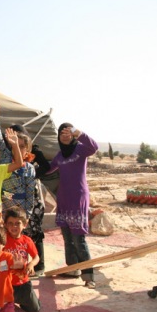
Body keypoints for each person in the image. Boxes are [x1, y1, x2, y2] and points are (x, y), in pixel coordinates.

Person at [0, 102, 49, 276]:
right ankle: (3, 270)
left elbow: (30, 192)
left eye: (23, 146)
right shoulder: (7, 159)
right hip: (5, 207)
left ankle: (23, 272)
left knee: (22, 243)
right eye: (16, 144)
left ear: (28, 150)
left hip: (22, 212)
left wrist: (28, 215)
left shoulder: (29, 168)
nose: (19, 148)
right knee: (5, 240)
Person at [49, 123, 98, 288]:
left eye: (67, 132)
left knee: (79, 238)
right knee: (67, 238)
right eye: (61, 133)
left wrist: (79, 133)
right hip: (64, 199)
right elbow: (49, 169)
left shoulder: (81, 150)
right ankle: (73, 269)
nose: (65, 135)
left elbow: (94, 147)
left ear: (72, 134)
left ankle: (88, 276)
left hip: (78, 198)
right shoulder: (60, 155)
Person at [3, 207, 41, 312]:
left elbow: (36, 257)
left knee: (34, 309)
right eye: (10, 223)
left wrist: (31, 265)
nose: (14, 226)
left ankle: (22, 300)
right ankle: (9, 300)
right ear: (5, 224)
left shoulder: (27, 241)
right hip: (6, 282)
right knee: (1, 308)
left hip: (22, 281)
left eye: (17, 223)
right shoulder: (2, 239)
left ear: (25, 224)